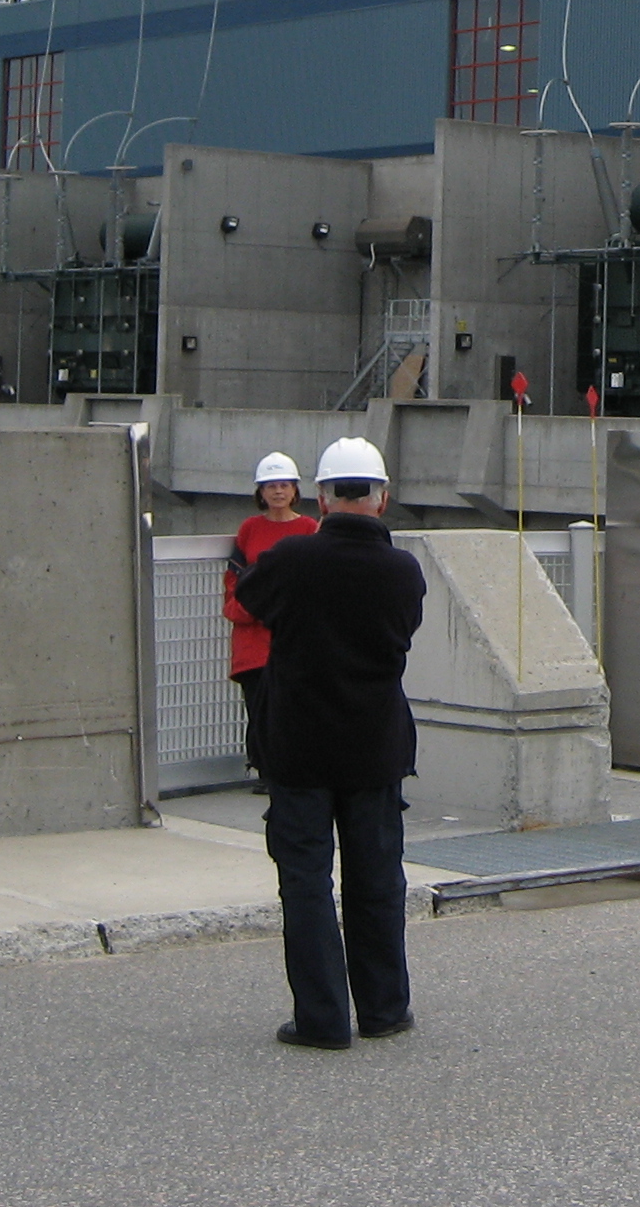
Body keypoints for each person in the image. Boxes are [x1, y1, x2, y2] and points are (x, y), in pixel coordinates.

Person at [236, 434, 427, 1049]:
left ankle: (321, 1019)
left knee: (305, 881)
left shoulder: (291, 559)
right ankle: (384, 1008)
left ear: (320, 498)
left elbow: (250, 597)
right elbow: (404, 630)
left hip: (298, 745)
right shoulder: (402, 571)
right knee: (377, 878)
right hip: (375, 744)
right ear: (382, 498)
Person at [225, 452, 322, 786]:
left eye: (284, 485)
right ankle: (266, 772)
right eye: (271, 486)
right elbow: (233, 581)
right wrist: (246, 611)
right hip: (253, 642)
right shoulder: (249, 529)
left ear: (295, 490)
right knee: (259, 709)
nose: (278, 491)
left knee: (295, 710)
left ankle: (291, 771)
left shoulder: (309, 529)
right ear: (261, 492)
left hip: (294, 640)